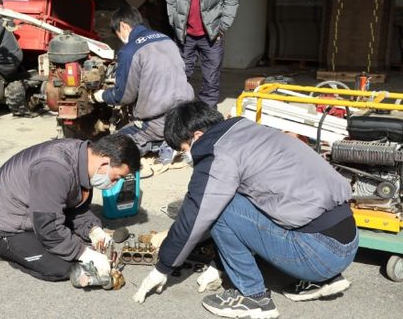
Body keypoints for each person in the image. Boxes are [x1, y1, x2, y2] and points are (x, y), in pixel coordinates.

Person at [133, 101, 358, 319]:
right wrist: (220, 264)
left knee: (219, 208)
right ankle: (324, 279)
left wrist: (163, 267)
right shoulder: (250, 131)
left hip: (317, 254)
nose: (187, 156)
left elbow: (196, 214)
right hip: (346, 244)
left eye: (184, 149)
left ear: (198, 136)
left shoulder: (217, 152)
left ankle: (253, 297)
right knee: (232, 199)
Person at [0, 133, 140, 285]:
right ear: (104, 162)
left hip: (36, 215)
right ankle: (7, 252)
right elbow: (48, 228)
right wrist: (84, 254)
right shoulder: (54, 169)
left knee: (84, 244)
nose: (114, 183)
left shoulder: (85, 158)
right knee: (63, 266)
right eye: (116, 177)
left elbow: (75, 207)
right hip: (4, 228)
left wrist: (93, 230)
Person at [92, 5, 193, 163]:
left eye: (117, 33)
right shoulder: (166, 39)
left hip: (158, 122)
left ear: (123, 26)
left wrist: (101, 96)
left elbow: (123, 97)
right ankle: (176, 138)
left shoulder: (129, 51)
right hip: (186, 114)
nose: (119, 38)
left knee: (109, 148)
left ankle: (166, 143)